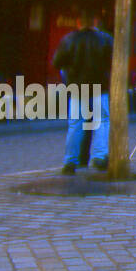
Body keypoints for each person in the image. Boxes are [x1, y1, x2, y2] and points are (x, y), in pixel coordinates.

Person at [53, 13, 112, 174]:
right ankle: (100, 156)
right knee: (102, 122)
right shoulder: (105, 39)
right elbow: (113, 62)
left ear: (78, 22)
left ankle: (70, 161)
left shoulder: (69, 39)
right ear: (95, 21)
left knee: (75, 124)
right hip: (100, 87)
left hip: (77, 88)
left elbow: (57, 62)